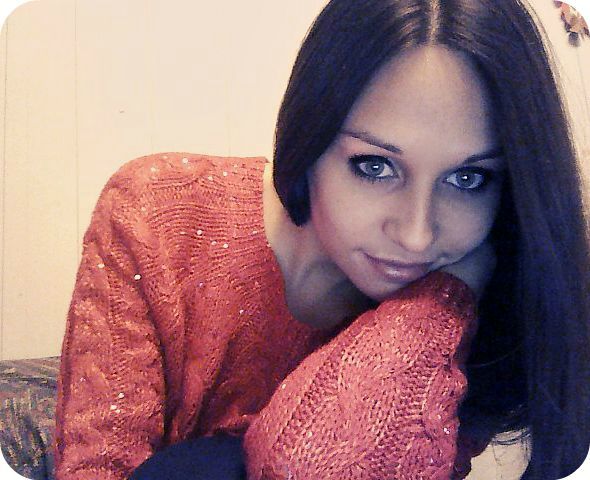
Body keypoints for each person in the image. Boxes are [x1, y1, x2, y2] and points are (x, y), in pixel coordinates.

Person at [53, 0, 590, 479]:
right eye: (374, 166)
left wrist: (438, 304)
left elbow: (321, 467)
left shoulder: (482, 311)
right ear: (308, 139)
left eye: (468, 179)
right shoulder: (156, 217)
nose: (416, 235)